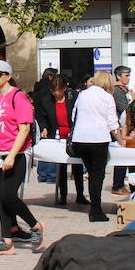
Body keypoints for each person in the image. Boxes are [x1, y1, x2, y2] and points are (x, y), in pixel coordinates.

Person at [0, 61, 42, 256]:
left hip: (15, 154)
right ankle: (7, 241)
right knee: (2, 199)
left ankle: (35, 225)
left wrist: (12, 156)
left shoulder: (18, 97)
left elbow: (24, 129)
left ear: (8, 76)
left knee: (8, 195)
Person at [70, 70, 120, 222]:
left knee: (91, 173)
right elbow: (112, 123)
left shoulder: (82, 94)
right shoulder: (107, 97)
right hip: (98, 139)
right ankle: (96, 210)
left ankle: (94, 208)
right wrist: (121, 139)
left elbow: (74, 115)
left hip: (80, 139)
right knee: (97, 175)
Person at [36, 73, 85, 206]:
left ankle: (80, 194)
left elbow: (81, 113)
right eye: (53, 91)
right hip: (56, 136)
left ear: (64, 88)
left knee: (77, 165)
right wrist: (44, 128)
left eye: (59, 90)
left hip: (73, 135)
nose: (56, 94)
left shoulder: (73, 97)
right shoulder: (46, 100)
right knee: (61, 166)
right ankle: (62, 195)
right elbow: (41, 117)